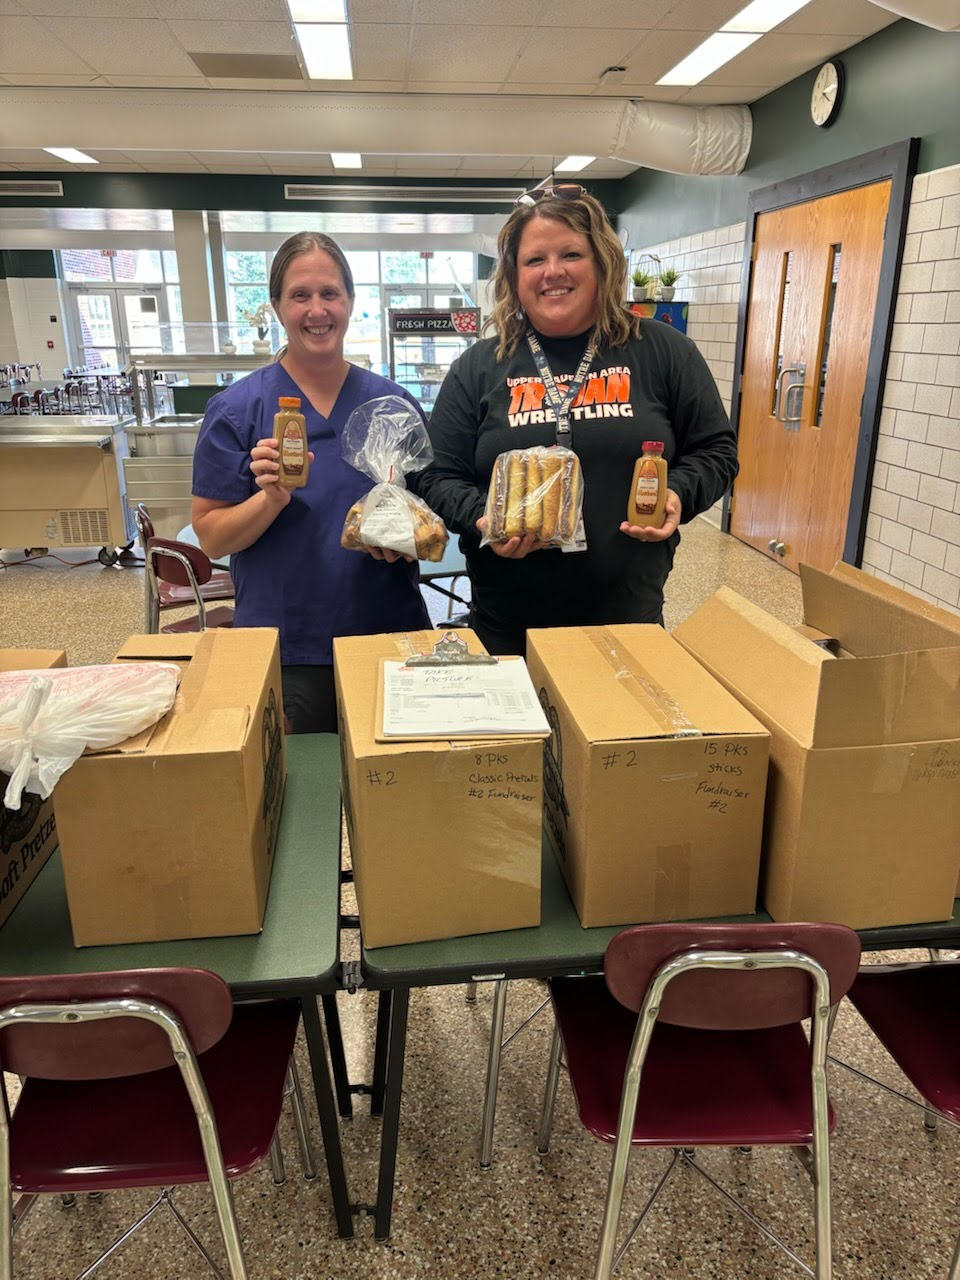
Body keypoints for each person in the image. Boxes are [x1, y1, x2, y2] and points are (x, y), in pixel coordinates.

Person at [417, 185, 738, 657]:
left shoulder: (662, 351)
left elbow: (716, 451)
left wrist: (677, 493)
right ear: (514, 275)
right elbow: (436, 474)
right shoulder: (479, 367)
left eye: (571, 254)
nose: (553, 271)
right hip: (507, 625)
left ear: (602, 263)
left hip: (629, 619)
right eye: (535, 260)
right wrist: (484, 518)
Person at [191, 231, 430, 733]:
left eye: (330, 293)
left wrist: (404, 539)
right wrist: (270, 499)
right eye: (300, 295)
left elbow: (427, 514)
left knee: (390, 773)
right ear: (277, 306)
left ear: (350, 302)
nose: (316, 310)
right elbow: (211, 537)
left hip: (388, 635)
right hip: (289, 647)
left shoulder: (392, 406)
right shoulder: (237, 410)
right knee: (303, 778)